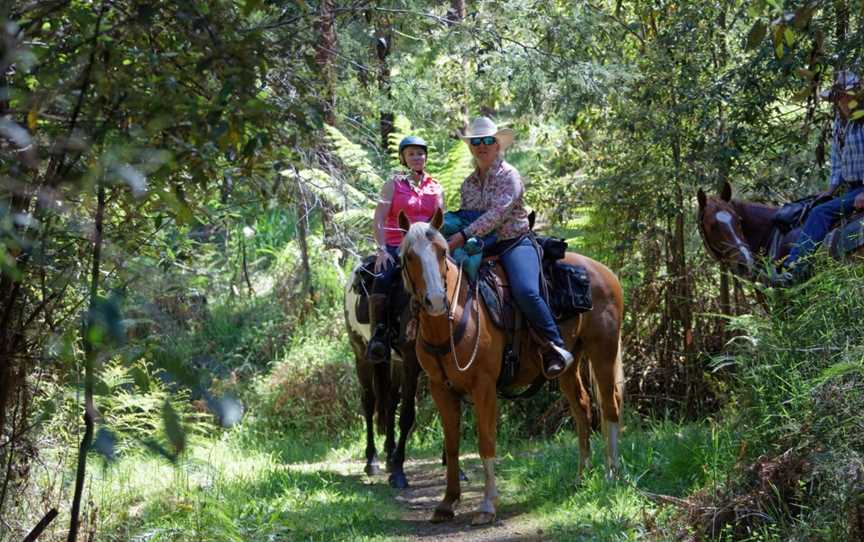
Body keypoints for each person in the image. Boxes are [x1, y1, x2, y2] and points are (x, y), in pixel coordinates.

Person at [446, 116, 574, 379]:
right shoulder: (468, 184)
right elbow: (470, 215)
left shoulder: (509, 176)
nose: (481, 146)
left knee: (526, 291)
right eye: (476, 142)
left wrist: (460, 235)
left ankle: (555, 346)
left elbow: (496, 215)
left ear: (497, 145)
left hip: (513, 243)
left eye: (487, 141)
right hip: (480, 245)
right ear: (471, 147)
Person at [775, 69, 864, 286]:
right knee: (814, 206)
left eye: (844, 96)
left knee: (819, 213)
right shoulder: (841, 124)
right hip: (851, 186)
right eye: (838, 98)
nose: (841, 102)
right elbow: (836, 158)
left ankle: (794, 270)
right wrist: (832, 188)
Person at [367, 135, 444, 363]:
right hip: (396, 244)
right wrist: (382, 249)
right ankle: (379, 335)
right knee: (382, 276)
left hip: (426, 246)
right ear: (403, 158)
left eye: (420, 153)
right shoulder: (393, 185)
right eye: (411, 153)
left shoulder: (435, 187)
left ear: (426, 157)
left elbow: (440, 221)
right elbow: (379, 218)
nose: (417, 157)